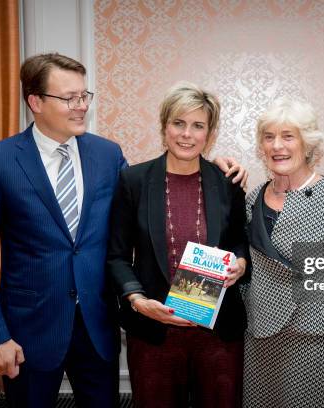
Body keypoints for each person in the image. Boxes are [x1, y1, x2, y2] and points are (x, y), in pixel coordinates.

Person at [0, 54, 246, 407]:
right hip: (28, 331)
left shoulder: (108, 156)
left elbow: (154, 194)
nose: (81, 106)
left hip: (98, 327)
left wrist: (215, 167)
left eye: (84, 96)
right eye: (69, 98)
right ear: (35, 101)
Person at [106, 81, 249, 408]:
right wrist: (138, 300)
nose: (187, 134)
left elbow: (240, 240)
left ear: (209, 133)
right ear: (164, 127)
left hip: (217, 334)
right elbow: (116, 255)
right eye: (178, 123)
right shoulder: (134, 181)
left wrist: (240, 264)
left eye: (198, 126)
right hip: (155, 332)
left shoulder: (227, 183)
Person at [243, 97, 324, 407]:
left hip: (319, 338)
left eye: (288, 136)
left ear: (307, 143)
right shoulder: (251, 199)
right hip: (261, 337)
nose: (278, 146)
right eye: (269, 137)